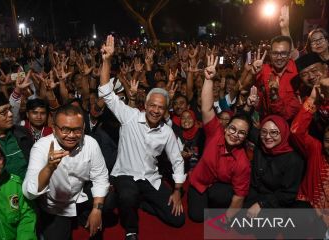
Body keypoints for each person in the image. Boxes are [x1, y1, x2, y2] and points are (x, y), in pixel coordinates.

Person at [99, 35, 186, 240]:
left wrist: (177, 191)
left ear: (165, 110)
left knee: (178, 220)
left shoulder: (166, 132)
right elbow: (106, 93)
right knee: (128, 194)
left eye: (160, 107)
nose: (156, 110)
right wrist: (106, 60)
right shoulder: (129, 117)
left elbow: (177, 160)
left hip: (150, 178)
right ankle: (131, 230)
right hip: (125, 175)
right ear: (145, 105)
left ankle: (142, 203)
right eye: (152, 106)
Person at [22, 104, 109, 240]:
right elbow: (30, 192)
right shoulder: (41, 147)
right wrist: (49, 168)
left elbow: (101, 177)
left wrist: (97, 209)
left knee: (110, 198)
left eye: (77, 130)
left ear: (84, 128)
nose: (72, 135)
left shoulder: (90, 143)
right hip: (55, 207)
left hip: (80, 196)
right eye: (65, 129)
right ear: (54, 128)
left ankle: (86, 216)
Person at [188, 54, 251, 223]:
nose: (235, 134)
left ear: (245, 138)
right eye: (233, 129)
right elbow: (207, 108)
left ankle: (215, 205)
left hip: (218, 187)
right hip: (200, 181)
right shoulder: (215, 132)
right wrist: (208, 79)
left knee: (223, 195)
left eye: (241, 133)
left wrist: (226, 220)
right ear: (226, 128)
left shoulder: (242, 162)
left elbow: (239, 196)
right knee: (196, 217)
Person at [244, 115, 304, 215]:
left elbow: (288, 194)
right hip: (254, 195)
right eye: (264, 132)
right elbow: (244, 124)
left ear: (283, 132)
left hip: (275, 204)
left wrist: (261, 204)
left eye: (274, 132)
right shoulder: (261, 145)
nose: (267, 136)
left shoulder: (294, 160)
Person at [290, 86, 329, 234]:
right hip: (310, 208)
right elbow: (295, 131)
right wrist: (312, 100)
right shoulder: (317, 150)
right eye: (327, 140)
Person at [252, 35, 301, 121]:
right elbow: (253, 94)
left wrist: (274, 97)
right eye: (275, 53)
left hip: (290, 125)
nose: (279, 58)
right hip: (267, 123)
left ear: (289, 54)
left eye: (283, 53)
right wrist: (252, 73)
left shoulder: (298, 72)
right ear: (270, 54)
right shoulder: (264, 70)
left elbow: (288, 114)